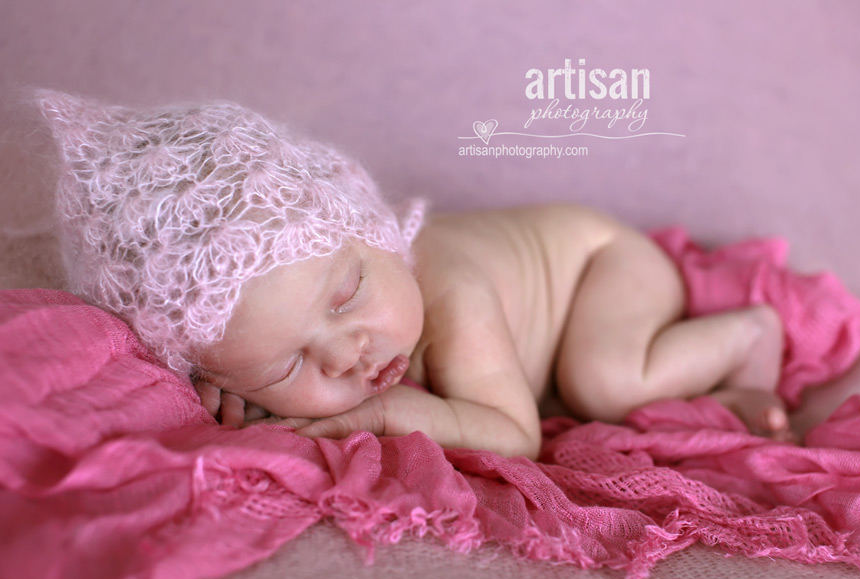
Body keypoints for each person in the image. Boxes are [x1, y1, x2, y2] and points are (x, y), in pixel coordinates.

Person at [37, 90, 790, 460]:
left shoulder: (449, 293)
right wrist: (251, 395)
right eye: (291, 361)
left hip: (600, 262)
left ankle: (746, 339)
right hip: (546, 309)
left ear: (374, 228)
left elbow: (515, 435)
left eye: (347, 295)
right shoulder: (278, 329)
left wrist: (387, 413)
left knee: (604, 382)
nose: (349, 354)